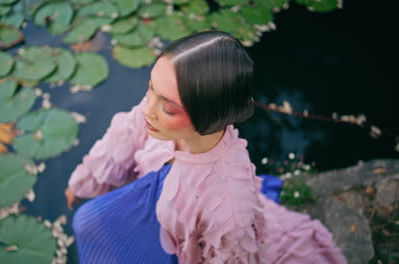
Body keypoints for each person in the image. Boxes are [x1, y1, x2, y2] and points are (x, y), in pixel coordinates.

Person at [65, 30, 348, 263]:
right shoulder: (152, 116)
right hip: (145, 216)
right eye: (151, 88)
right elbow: (122, 138)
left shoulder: (227, 207)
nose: (148, 110)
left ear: (209, 115)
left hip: (186, 252)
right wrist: (84, 182)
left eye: (169, 108)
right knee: (88, 222)